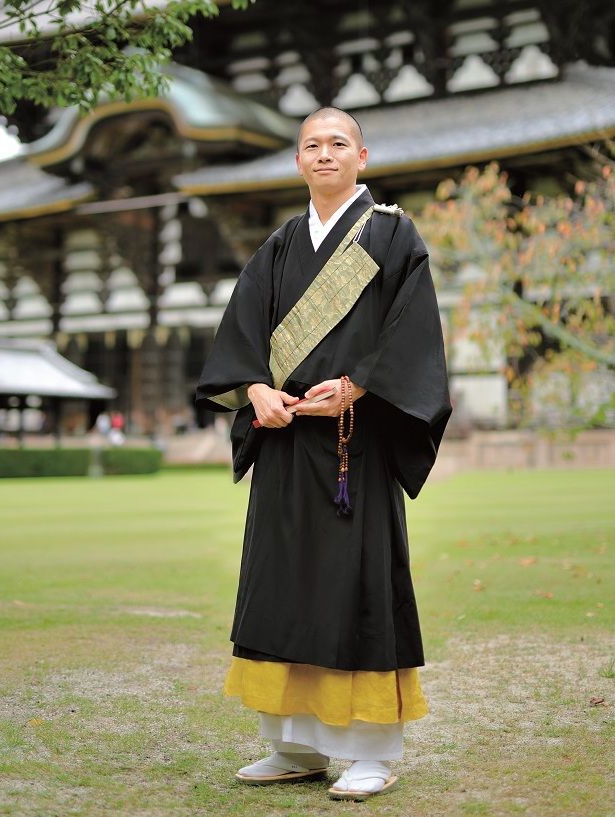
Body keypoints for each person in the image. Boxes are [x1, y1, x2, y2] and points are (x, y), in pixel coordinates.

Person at [195, 107, 451, 801]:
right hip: (283, 445)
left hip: (353, 448)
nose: (324, 154)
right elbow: (240, 333)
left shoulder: (394, 236)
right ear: (298, 160)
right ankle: (293, 745)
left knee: (355, 588)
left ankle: (369, 749)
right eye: (311, 145)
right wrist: (255, 390)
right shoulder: (278, 246)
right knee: (282, 589)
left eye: (338, 143)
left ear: (361, 156)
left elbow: (414, 333)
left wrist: (361, 384)